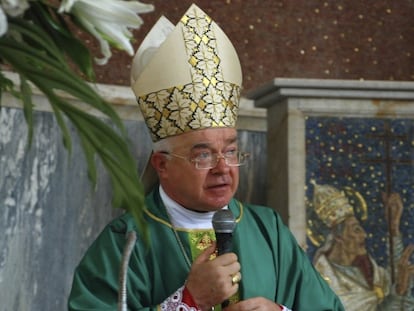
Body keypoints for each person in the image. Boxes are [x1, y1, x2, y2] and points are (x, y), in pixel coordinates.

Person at [68, 4, 344, 311]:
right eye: (203, 155)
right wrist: (188, 303)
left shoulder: (269, 230)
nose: (223, 168)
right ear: (163, 165)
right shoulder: (125, 242)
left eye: (229, 150)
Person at [311, 182, 414, 310]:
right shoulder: (324, 281)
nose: (364, 235)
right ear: (338, 237)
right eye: (356, 230)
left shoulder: (368, 270)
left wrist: (394, 228)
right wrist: (399, 291)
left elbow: (396, 282)